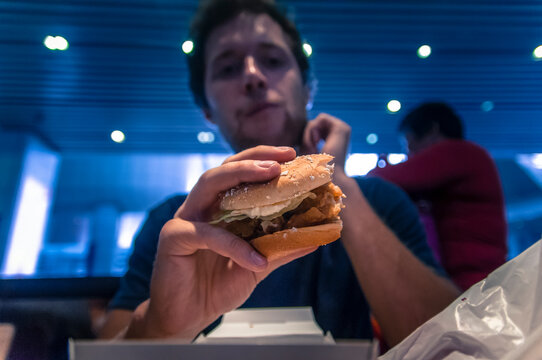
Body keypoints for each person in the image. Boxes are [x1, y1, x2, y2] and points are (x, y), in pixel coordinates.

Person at [98, 0, 459, 346]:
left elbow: (452, 341)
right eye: (228, 68)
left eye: (272, 60)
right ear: (207, 109)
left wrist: (336, 183)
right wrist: (161, 329)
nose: (253, 76)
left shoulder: (379, 201)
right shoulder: (176, 225)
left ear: (308, 89)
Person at [369, 102, 507, 290]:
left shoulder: (458, 152)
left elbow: (386, 178)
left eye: (410, 145)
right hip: (476, 279)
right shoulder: (472, 157)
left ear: (433, 130)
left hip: (472, 282)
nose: (410, 155)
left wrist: (379, 169)